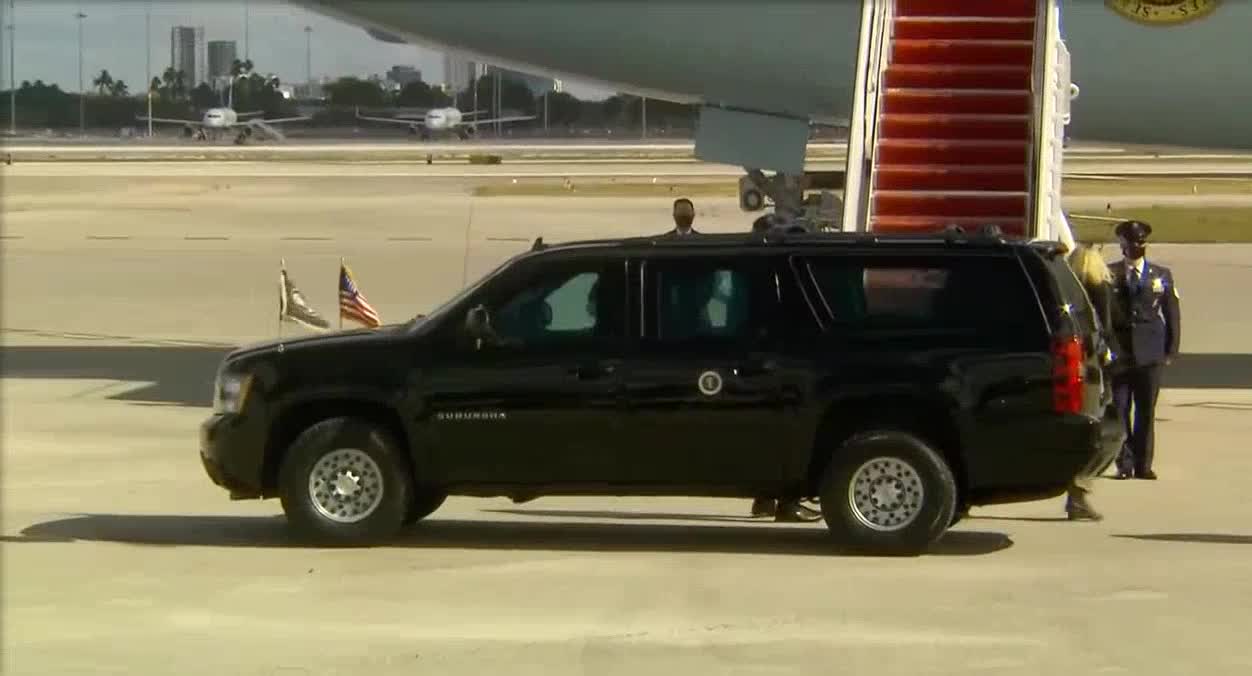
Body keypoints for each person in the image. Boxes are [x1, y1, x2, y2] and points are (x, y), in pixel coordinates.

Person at [1108, 220, 1181, 481]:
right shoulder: (1110, 274)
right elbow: (1102, 315)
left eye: (1141, 242)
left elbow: (1172, 313)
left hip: (1150, 353)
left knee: (1146, 411)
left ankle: (1143, 464)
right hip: (1120, 353)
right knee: (1120, 408)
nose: (1137, 247)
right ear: (1122, 245)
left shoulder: (1161, 275)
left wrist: (1171, 349)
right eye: (1131, 243)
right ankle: (1124, 463)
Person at [1063, 244, 1121, 520]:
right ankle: (1078, 491)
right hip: (1091, 370)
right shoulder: (1100, 291)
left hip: (1067, 368)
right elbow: (1108, 329)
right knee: (1107, 432)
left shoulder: (1065, 291)